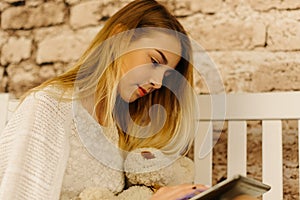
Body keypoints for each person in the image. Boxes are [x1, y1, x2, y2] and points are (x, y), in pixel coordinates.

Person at [0, 0, 257, 199]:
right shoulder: (49, 107)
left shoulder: (115, 127)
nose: (158, 83)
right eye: (155, 61)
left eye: (167, 75)